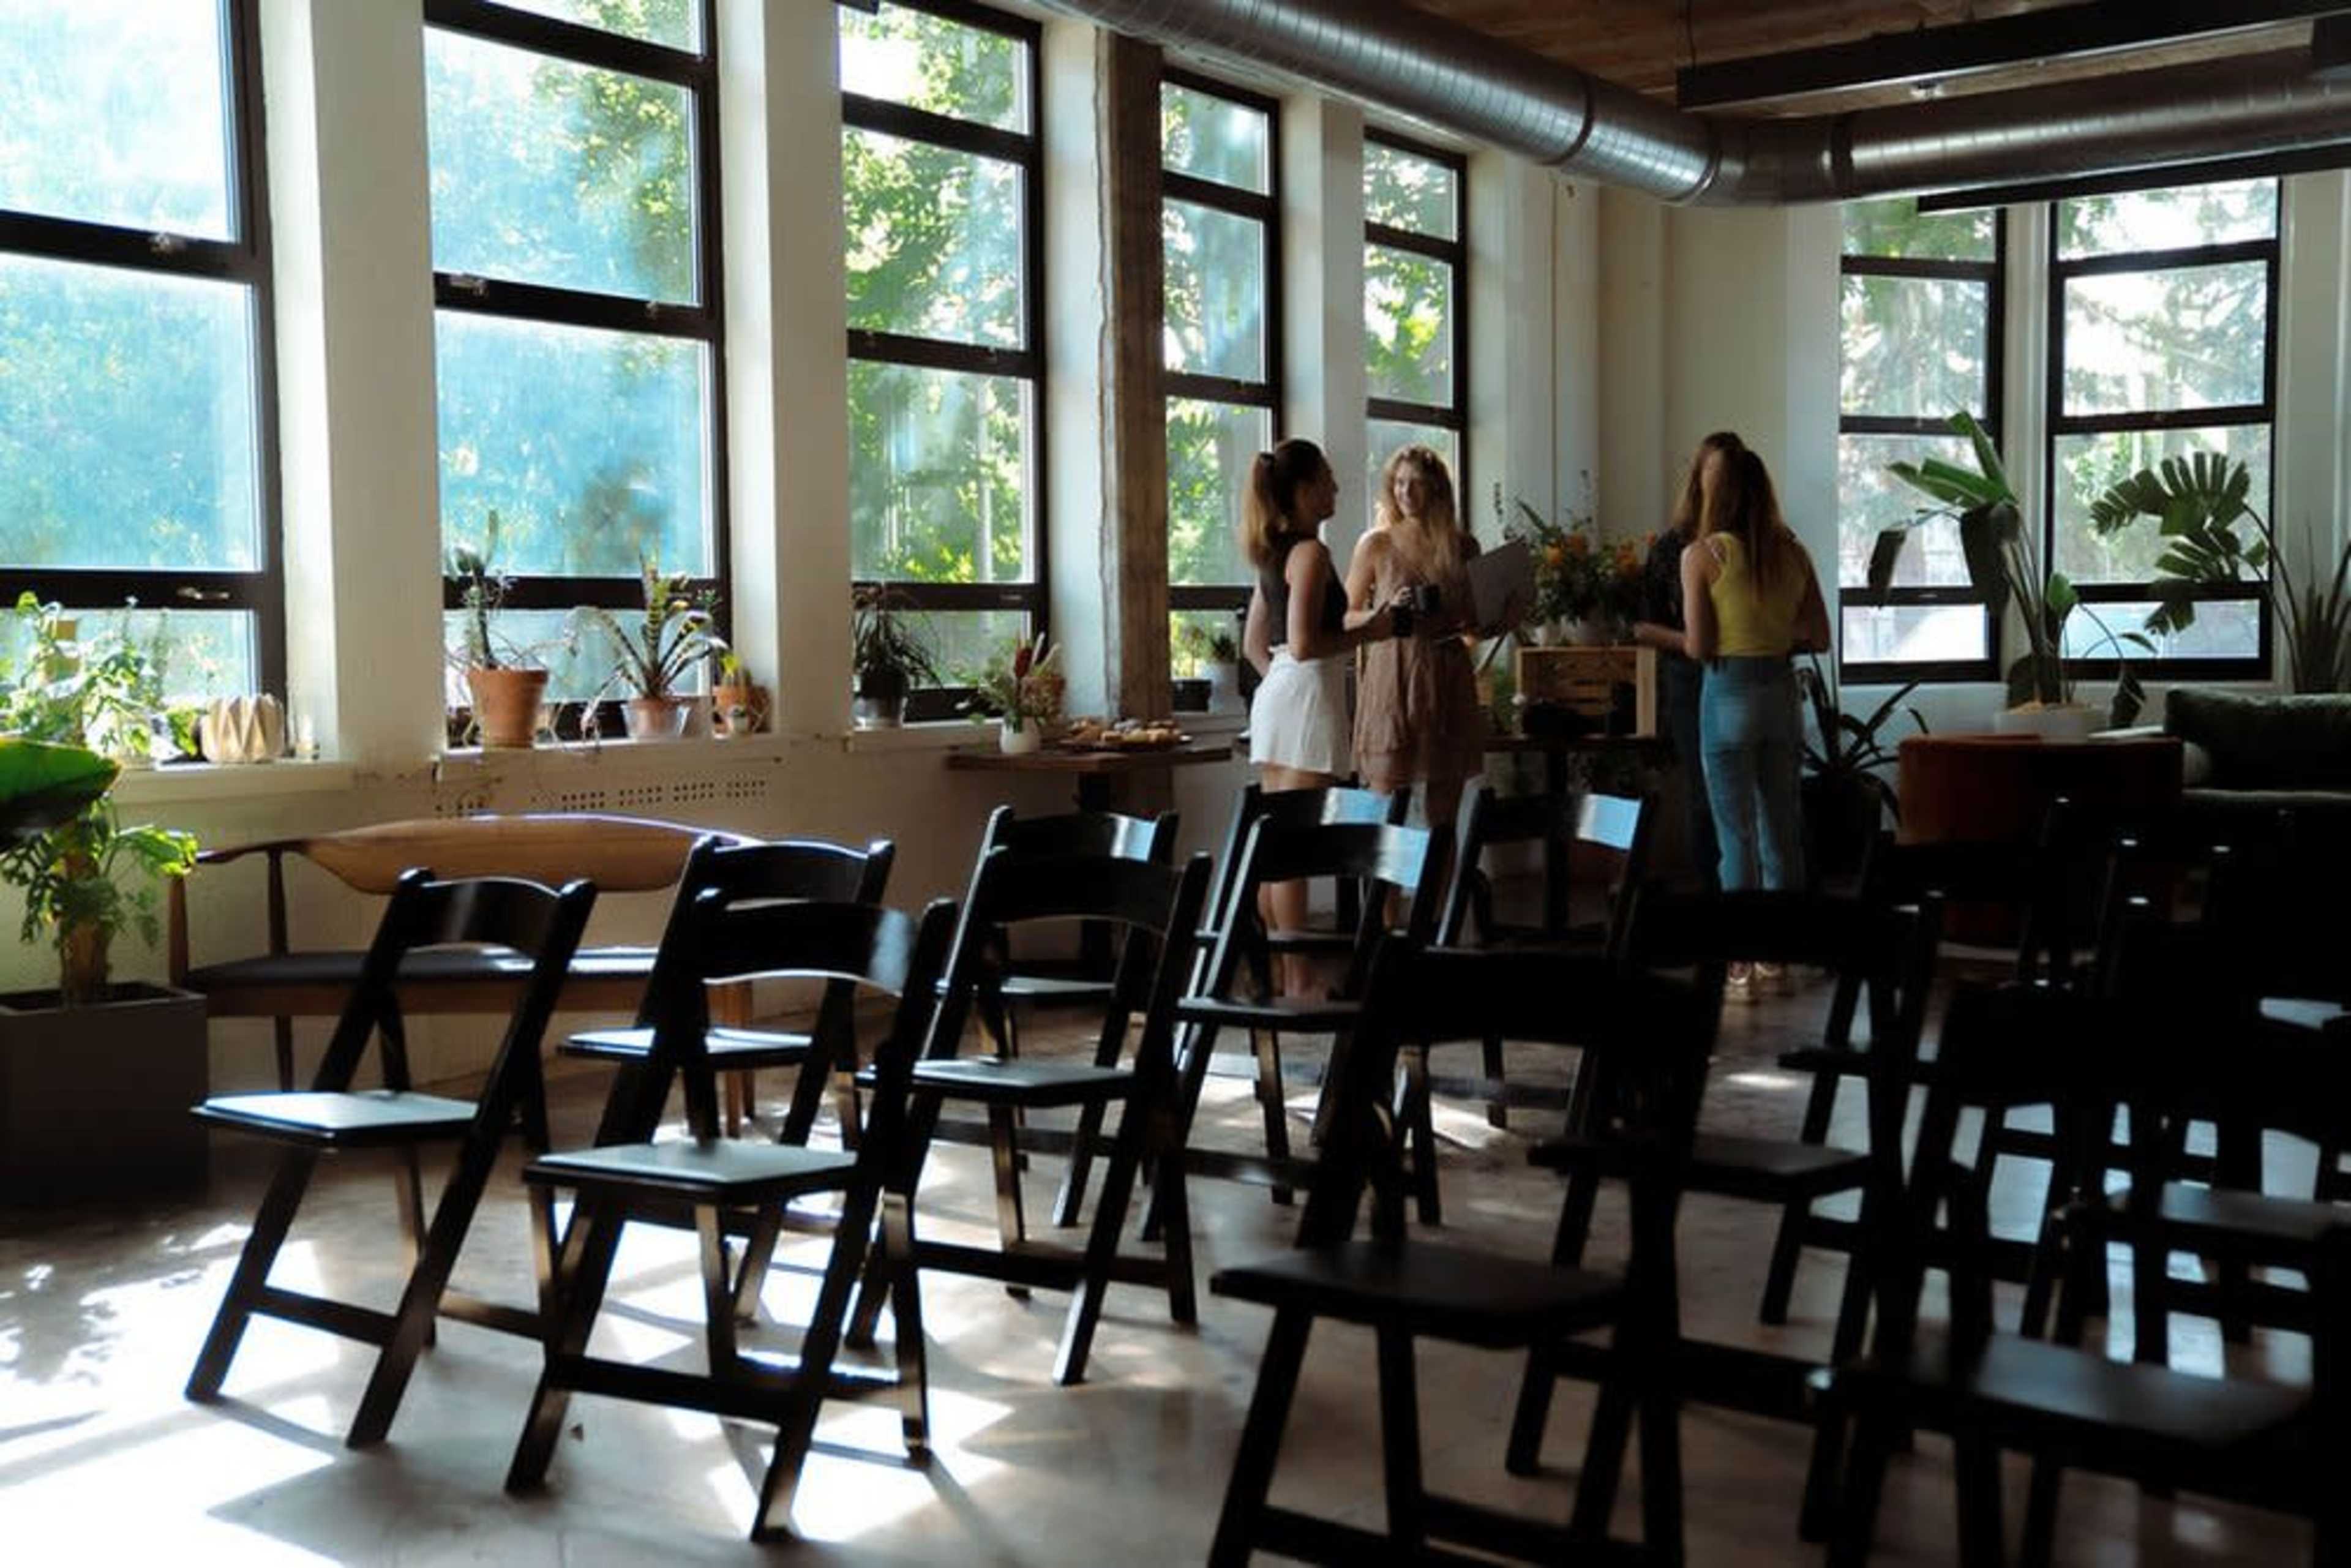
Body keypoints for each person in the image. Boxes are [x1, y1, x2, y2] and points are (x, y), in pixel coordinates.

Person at [1240, 438, 1400, 992]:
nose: (1335, 488)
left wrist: (1281, 683)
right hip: (1308, 694)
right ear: (1306, 490)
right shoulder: (1311, 553)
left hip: (1281, 694)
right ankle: (1300, 971)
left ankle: (1284, 969)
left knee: (1280, 834)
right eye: (1328, 480)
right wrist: (1374, 629)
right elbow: (1307, 643)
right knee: (1297, 842)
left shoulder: (1273, 551)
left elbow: (1257, 645)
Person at [1682, 449, 1831, 982]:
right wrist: (1771, 635)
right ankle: (1780, 951)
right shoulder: (1793, 554)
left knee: (1734, 831)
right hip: (1780, 692)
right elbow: (1820, 635)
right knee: (1781, 826)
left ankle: (1740, 957)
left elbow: (1700, 647)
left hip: (1727, 693)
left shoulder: (1702, 556)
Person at [1349, 444, 1485, 841]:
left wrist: (1494, 615)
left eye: (1418, 484)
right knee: (1385, 810)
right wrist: (1386, 611)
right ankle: (1384, 906)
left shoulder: (1463, 547)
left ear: (1437, 490)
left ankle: (1441, 903)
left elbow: (1475, 627)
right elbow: (1346, 614)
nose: (1406, 492)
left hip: (1446, 674)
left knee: (1443, 814)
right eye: (1399, 483)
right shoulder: (1376, 544)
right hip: (1393, 675)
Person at [1632, 431, 1743, 891]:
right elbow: (1641, 625)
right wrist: (1692, 640)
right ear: (1697, 479)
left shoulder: (1755, 542)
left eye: (1729, 476)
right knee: (1703, 791)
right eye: (1712, 474)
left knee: (1753, 794)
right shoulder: (1673, 546)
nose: (1719, 485)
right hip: (1691, 678)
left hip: (1746, 678)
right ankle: (1710, 900)